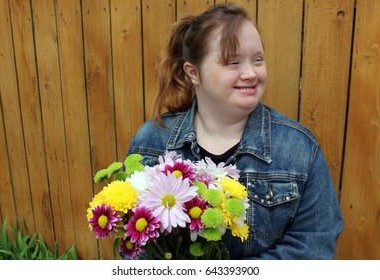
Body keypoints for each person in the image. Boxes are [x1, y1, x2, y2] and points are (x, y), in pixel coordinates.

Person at [127, 3, 343, 259]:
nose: (251, 73)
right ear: (193, 72)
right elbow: (132, 242)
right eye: (233, 62)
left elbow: (314, 248)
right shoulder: (152, 141)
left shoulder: (299, 149)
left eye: (258, 60)